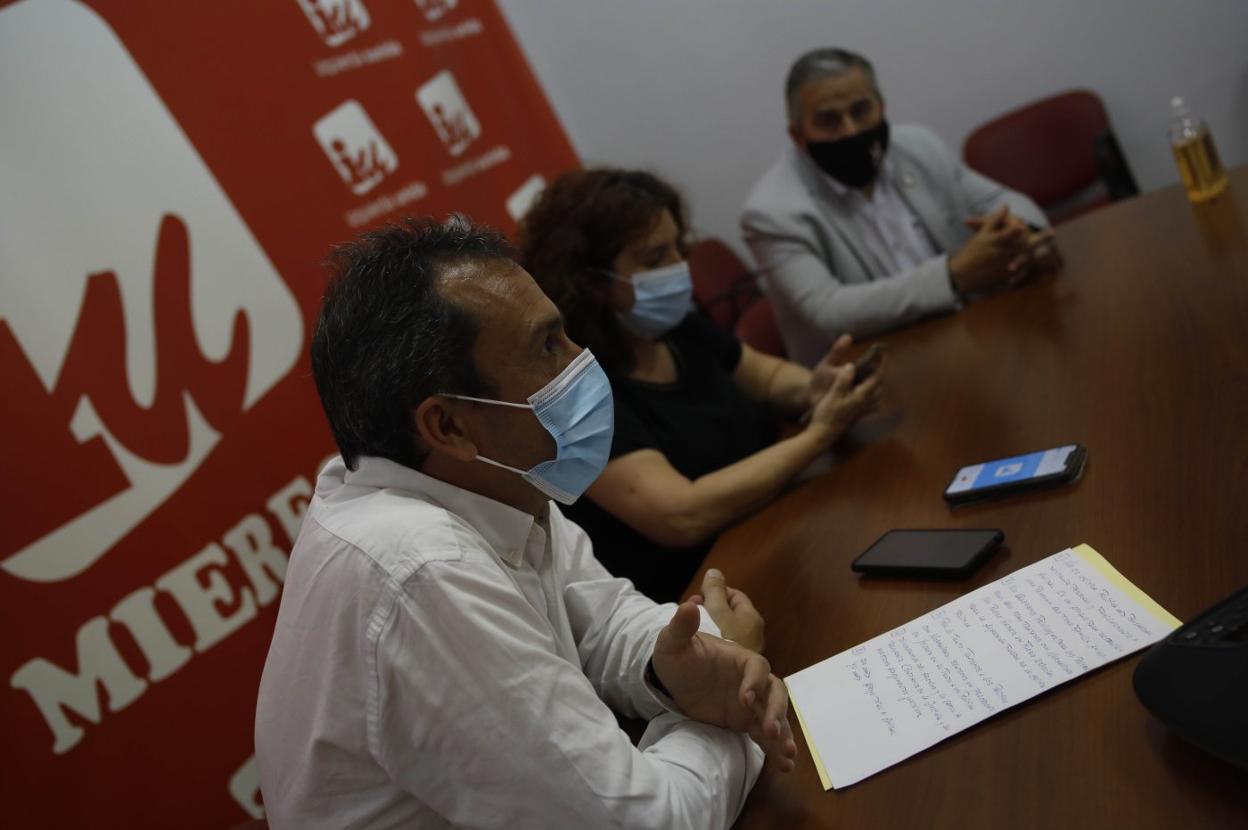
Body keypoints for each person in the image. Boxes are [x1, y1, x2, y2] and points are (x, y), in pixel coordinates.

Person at [254, 216, 797, 829]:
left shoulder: (490, 479)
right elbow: (651, 824)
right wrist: (726, 708)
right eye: (548, 348)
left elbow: (598, 615)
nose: (582, 363)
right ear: (450, 426)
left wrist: (676, 665)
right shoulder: (423, 572)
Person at [520, 169, 882, 603]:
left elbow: (766, 378)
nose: (679, 267)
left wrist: (815, 388)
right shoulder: (577, 394)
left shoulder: (673, 328)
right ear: (594, 283)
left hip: (778, 531)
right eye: (654, 259)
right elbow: (681, 515)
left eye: (679, 246)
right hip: (705, 597)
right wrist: (819, 435)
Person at [740, 47, 1060, 365]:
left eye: (861, 111)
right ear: (797, 135)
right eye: (829, 120)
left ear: (881, 107)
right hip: (877, 373)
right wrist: (953, 276)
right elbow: (829, 313)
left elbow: (998, 200)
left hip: (976, 335)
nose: (850, 130)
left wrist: (1021, 234)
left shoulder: (918, 145)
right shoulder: (771, 212)